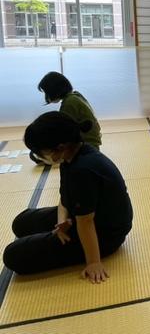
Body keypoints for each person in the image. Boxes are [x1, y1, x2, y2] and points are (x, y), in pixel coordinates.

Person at [3, 112, 133, 281]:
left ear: (60, 148)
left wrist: (93, 262)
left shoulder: (82, 170)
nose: (39, 156)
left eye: (41, 152)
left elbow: (85, 222)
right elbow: (64, 197)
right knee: (21, 222)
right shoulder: (72, 156)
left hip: (105, 233)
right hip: (82, 216)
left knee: (13, 256)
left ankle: (91, 253)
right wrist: (61, 222)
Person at [33, 72, 101, 161]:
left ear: (54, 90)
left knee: (42, 155)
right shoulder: (75, 96)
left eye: (47, 92)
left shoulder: (69, 103)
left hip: (85, 147)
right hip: (92, 144)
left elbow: (63, 132)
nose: (46, 96)